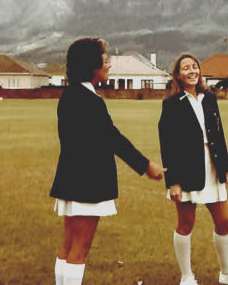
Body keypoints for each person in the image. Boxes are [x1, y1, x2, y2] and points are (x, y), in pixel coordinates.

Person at [50, 38, 166, 285]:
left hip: (70, 179)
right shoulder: (89, 100)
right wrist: (146, 166)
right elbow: (113, 139)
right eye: (105, 61)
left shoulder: (71, 94)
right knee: (79, 250)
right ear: (92, 66)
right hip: (87, 183)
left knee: (68, 246)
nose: (109, 65)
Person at [158, 54, 228, 285]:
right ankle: (187, 277)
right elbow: (167, 143)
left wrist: (226, 169)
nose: (192, 71)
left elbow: (218, 134)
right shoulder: (171, 103)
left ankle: (227, 273)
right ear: (178, 75)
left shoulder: (210, 98)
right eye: (186, 68)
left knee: (224, 221)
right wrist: (173, 181)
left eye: (195, 66)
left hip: (213, 165)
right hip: (185, 169)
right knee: (186, 223)